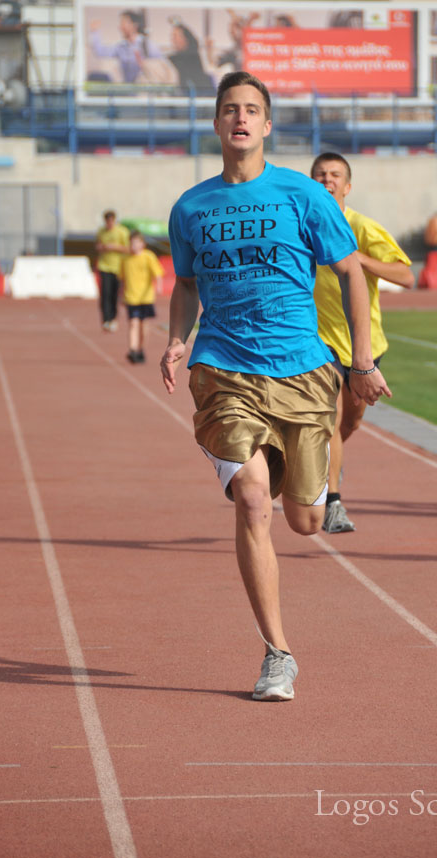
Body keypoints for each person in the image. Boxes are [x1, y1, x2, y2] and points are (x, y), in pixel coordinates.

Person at [160, 71, 391, 702]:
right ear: (216, 124)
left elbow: (351, 272)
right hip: (224, 368)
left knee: (307, 521)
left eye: (251, 109)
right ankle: (277, 654)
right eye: (229, 109)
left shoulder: (302, 195)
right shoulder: (191, 207)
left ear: (266, 125)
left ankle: (309, 488)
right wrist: (180, 339)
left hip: (304, 371)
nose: (240, 118)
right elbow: (185, 286)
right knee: (253, 497)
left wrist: (361, 363)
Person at [311, 153, 414, 534]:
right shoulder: (303, 226)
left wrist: (360, 261)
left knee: (348, 422)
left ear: (347, 186)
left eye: (335, 175)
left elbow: (405, 276)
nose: (327, 180)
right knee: (330, 420)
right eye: (320, 174)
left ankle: (331, 464)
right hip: (318, 342)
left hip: (363, 345)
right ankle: (333, 503)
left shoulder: (362, 226)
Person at [121, 230, 164, 363]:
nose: (133, 246)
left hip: (146, 297)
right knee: (133, 323)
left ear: (142, 244)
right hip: (131, 297)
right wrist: (120, 295)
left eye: (136, 243)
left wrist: (159, 286)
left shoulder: (148, 256)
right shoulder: (125, 259)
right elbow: (122, 279)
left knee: (144, 324)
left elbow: (157, 273)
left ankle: (141, 348)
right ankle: (132, 349)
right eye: (131, 243)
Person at [89, 10, 165, 84]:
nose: (120, 27)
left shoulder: (148, 46)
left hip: (145, 91)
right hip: (129, 92)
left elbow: (161, 67)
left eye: (123, 23)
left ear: (134, 25)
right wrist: (95, 32)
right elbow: (100, 52)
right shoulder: (121, 47)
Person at [95, 210, 130, 332]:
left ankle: (114, 319)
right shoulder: (101, 231)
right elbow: (97, 246)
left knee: (114, 295)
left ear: (114, 220)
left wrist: (114, 247)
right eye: (107, 221)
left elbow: (128, 248)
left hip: (117, 267)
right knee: (105, 294)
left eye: (111, 221)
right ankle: (106, 320)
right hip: (104, 266)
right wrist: (102, 247)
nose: (109, 224)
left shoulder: (122, 232)